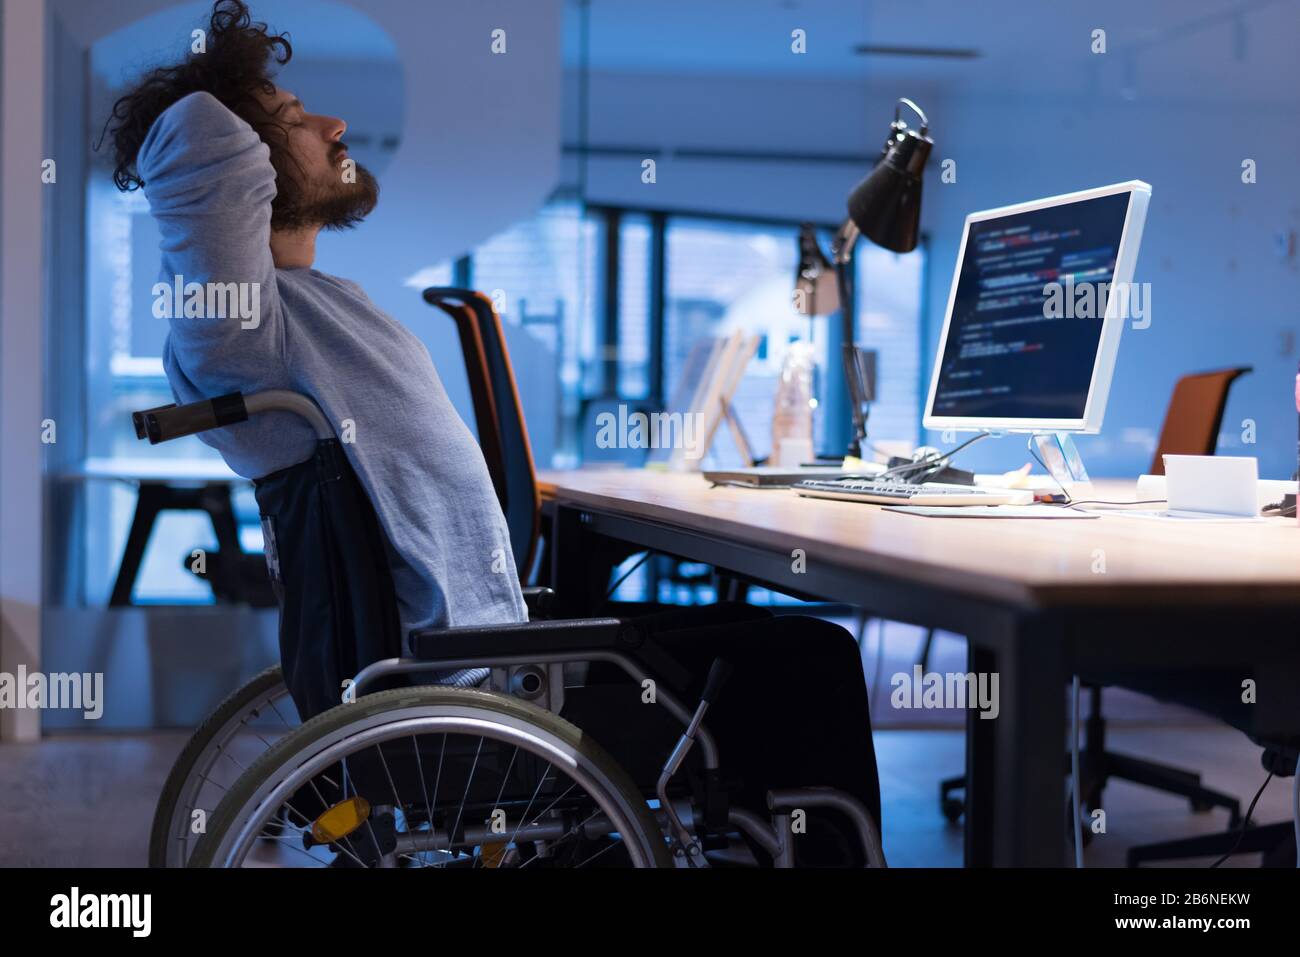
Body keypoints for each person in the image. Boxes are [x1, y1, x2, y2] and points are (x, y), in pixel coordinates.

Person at [106, 0, 881, 864]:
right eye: (292, 121)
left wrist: (268, 117)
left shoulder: (316, 310)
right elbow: (193, 134)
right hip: (469, 695)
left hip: (474, 667)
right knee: (811, 656)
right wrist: (226, 88)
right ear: (246, 170)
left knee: (763, 646)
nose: (335, 123)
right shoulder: (245, 336)